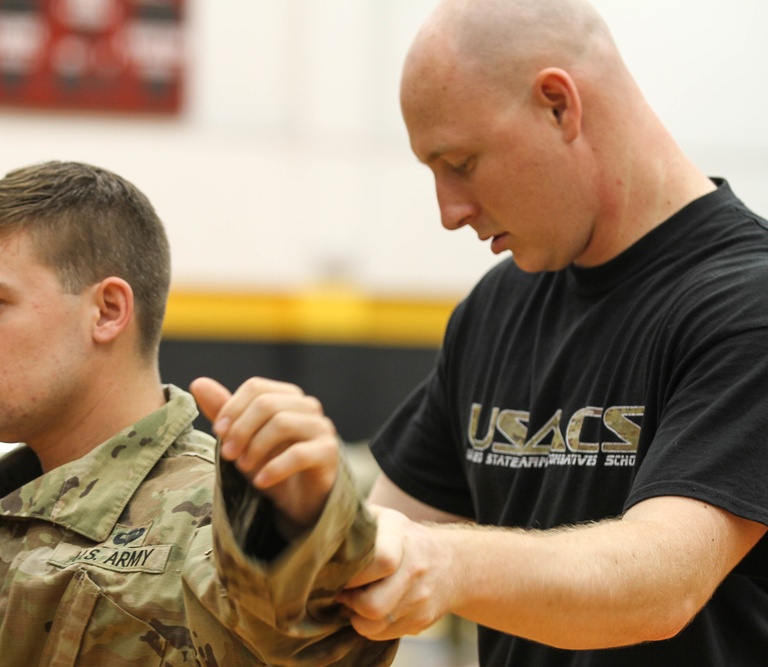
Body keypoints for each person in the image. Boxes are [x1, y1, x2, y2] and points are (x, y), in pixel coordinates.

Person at [206, 1, 768, 665]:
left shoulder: (746, 302)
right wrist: (308, 506)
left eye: (461, 162)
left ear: (559, 104)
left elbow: (663, 582)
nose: (449, 212)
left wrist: (450, 562)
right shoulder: (497, 307)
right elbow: (388, 543)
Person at [0, 161, 396, 666]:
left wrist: (307, 522)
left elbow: (305, 633)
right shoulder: (2, 513)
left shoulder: (216, 520)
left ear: (107, 311)